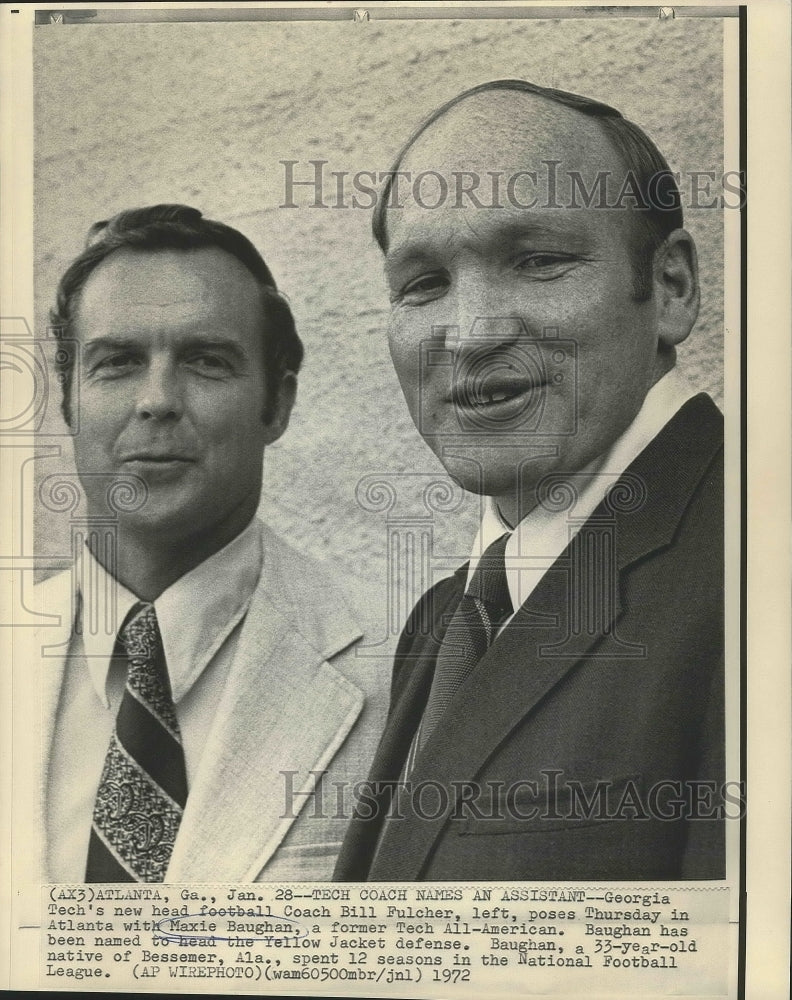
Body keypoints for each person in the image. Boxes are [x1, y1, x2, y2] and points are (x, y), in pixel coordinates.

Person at [334, 80, 725, 881]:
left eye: (539, 261)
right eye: (423, 284)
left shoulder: (758, 565)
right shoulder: (449, 615)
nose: (472, 333)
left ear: (672, 289)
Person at [23, 204, 386, 883]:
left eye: (206, 361)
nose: (156, 399)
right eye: (118, 362)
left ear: (275, 405)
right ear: (71, 401)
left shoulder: (409, 662)